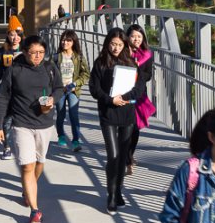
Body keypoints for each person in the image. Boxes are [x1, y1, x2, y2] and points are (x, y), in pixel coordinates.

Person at [0, 35, 63, 223]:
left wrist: (52, 100)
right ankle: (35, 210)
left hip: (45, 124)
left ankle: (27, 189)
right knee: (27, 166)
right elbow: (3, 98)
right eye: (33, 53)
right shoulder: (14, 70)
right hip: (21, 123)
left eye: (41, 52)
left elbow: (59, 89)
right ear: (24, 51)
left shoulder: (49, 68)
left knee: (39, 164)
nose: (37, 56)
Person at [89, 27, 144, 212]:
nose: (116, 48)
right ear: (107, 43)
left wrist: (126, 97)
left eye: (120, 45)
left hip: (127, 113)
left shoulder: (130, 62)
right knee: (113, 155)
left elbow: (140, 86)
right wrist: (110, 99)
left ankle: (119, 190)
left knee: (122, 156)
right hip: (108, 113)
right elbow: (94, 89)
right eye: (113, 44)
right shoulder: (100, 63)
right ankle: (111, 194)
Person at [0, 30, 25, 158]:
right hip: (7, 89)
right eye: (12, 35)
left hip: (23, 90)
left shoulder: (27, 49)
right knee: (6, 119)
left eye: (17, 35)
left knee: (23, 120)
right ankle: (7, 147)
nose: (15, 38)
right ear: (7, 36)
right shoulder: (2, 51)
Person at [124, 23, 155, 175]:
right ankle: (126, 157)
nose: (136, 39)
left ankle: (129, 157)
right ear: (127, 37)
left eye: (139, 36)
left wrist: (137, 73)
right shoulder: (122, 52)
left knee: (135, 128)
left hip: (138, 94)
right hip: (122, 93)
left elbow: (149, 75)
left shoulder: (147, 54)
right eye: (133, 36)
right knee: (125, 127)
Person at [54, 29, 89, 152]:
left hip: (73, 90)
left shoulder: (78, 57)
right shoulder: (56, 57)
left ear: (73, 42)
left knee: (74, 115)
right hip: (59, 90)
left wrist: (76, 84)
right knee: (60, 113)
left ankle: (75, 140)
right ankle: (61, 135)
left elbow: (86, 74)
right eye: (63, 40)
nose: (65, 42)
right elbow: (48, 73)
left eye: (68, 40)